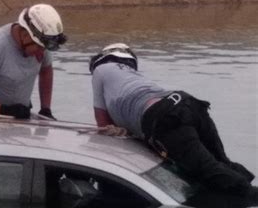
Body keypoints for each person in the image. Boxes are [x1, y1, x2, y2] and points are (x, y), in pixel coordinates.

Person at [89, 43, 255, 195]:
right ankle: (247, 189)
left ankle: (250, 196)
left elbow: (102, 123)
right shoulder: (133, 76)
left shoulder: (100, 70)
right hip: (186, 102)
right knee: (222, 162)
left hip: (164, 117)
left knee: (210, 170)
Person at [0, 4, 67, 119]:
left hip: (20, 115)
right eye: (40, 48)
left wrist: (46, 109)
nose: (42, 53)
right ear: (26, 35)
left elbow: (46, 71)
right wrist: (2, 111)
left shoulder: (41, 42)